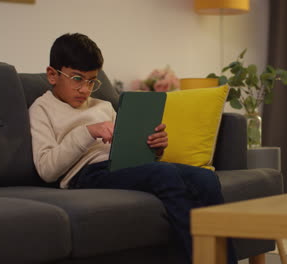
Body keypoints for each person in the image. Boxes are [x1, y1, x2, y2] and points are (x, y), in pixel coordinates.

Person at [29, 32, 237, 264]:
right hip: (86, 174)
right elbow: (47, 169)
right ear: (52, 75)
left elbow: (126, 144)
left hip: (122, 164)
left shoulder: (103, 106)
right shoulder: (41, 109)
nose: (85, 90)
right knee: (164, 174)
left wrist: (154, 147)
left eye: (91, 81)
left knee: (205, 179)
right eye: (77, 79)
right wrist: (87, 132)